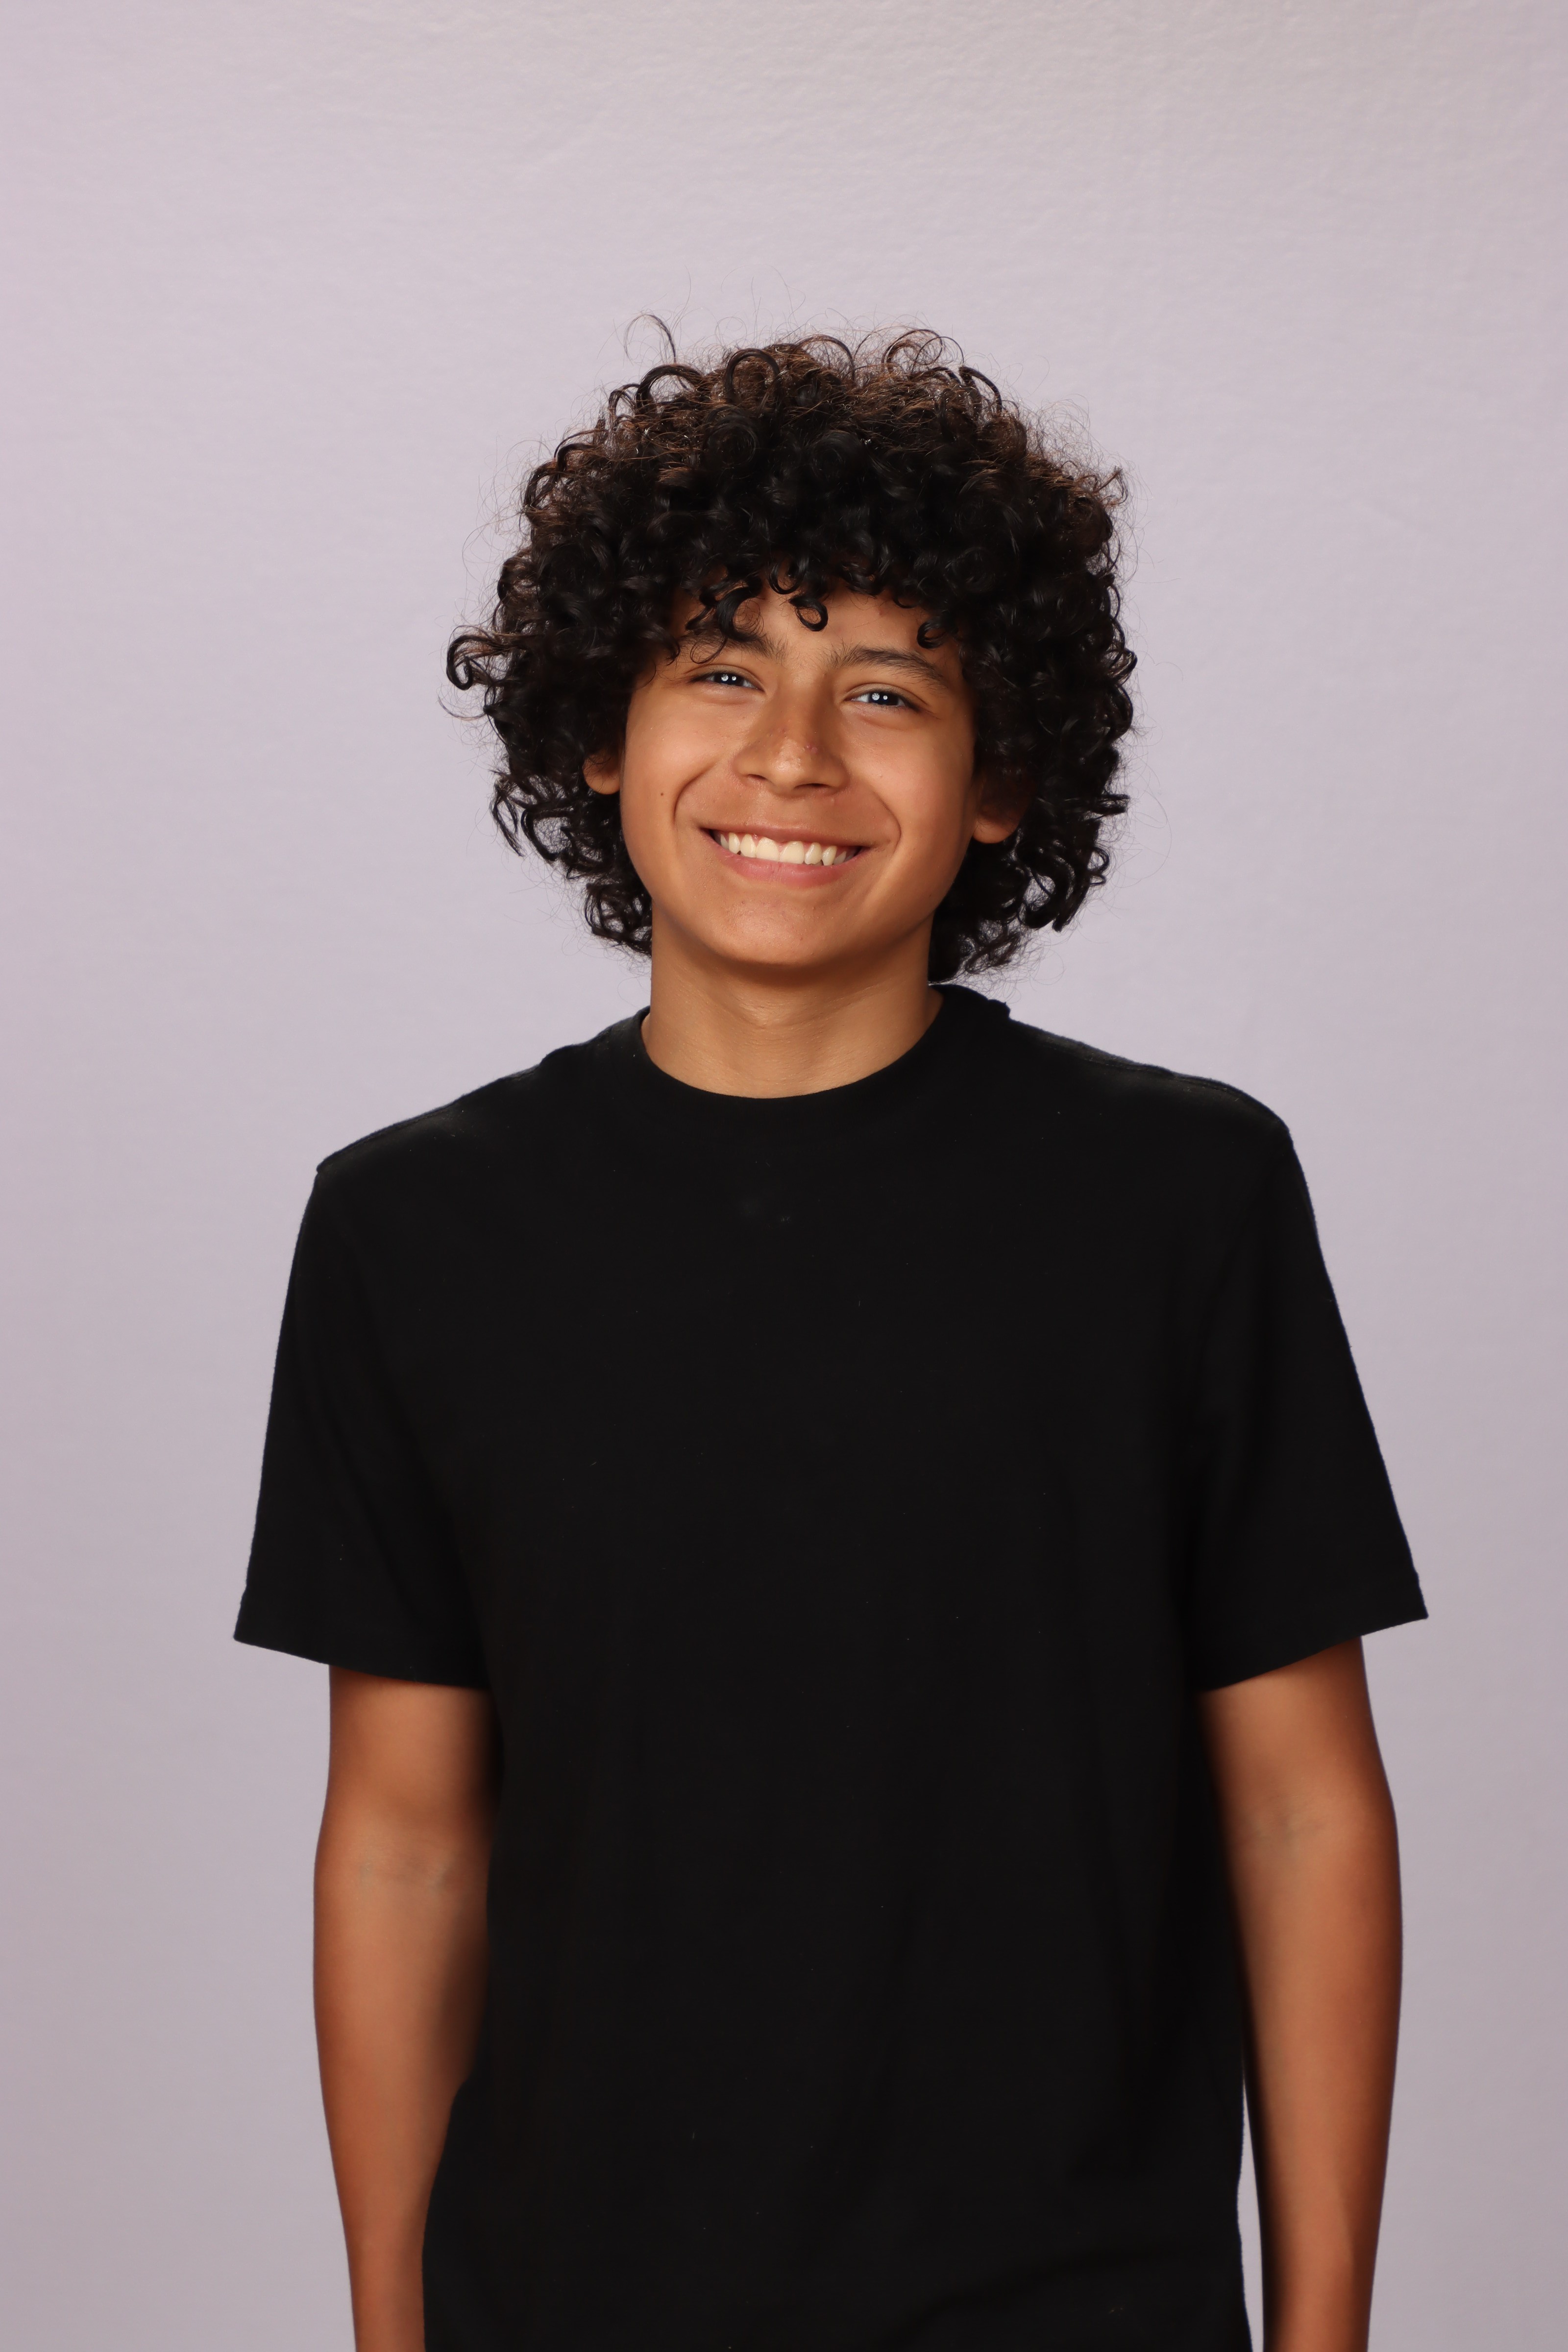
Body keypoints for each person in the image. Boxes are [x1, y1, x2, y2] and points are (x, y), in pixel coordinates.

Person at [236, 333, 1426, 2352]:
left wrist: (1321, 2339)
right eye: (721, 669)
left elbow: (1302, 1811)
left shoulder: (1182, 1199)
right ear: (597, 734)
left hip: (1078, 2310)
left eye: (885, 689)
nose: (791, 755)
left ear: (1002, 780)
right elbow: (408, 1841)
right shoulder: (412, 1229)